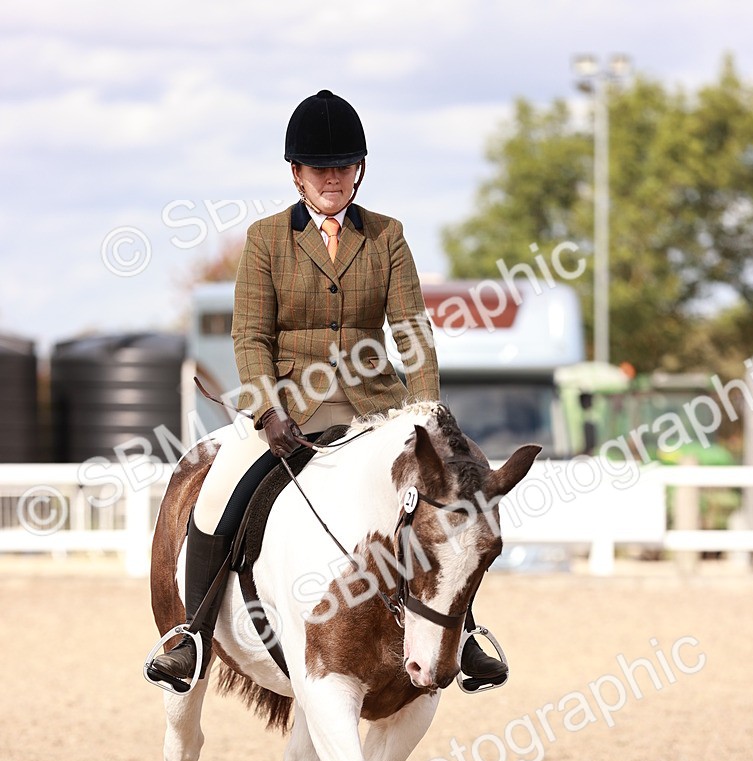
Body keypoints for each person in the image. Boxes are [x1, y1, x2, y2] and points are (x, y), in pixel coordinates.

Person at [148, 89, 506, 690]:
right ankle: (194, 633)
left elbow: (411, 330)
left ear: (359, 169)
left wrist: (426, 415)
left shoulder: (387, 236)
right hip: (290, 405)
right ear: (297, 173)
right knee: (217, 491)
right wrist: (266, 411)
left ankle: (463, 632)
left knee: (446, 502)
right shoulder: (266, 239)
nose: (333, 178)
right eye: (321, 168)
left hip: (377, 407)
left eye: (343, 166)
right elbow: (250, 335)